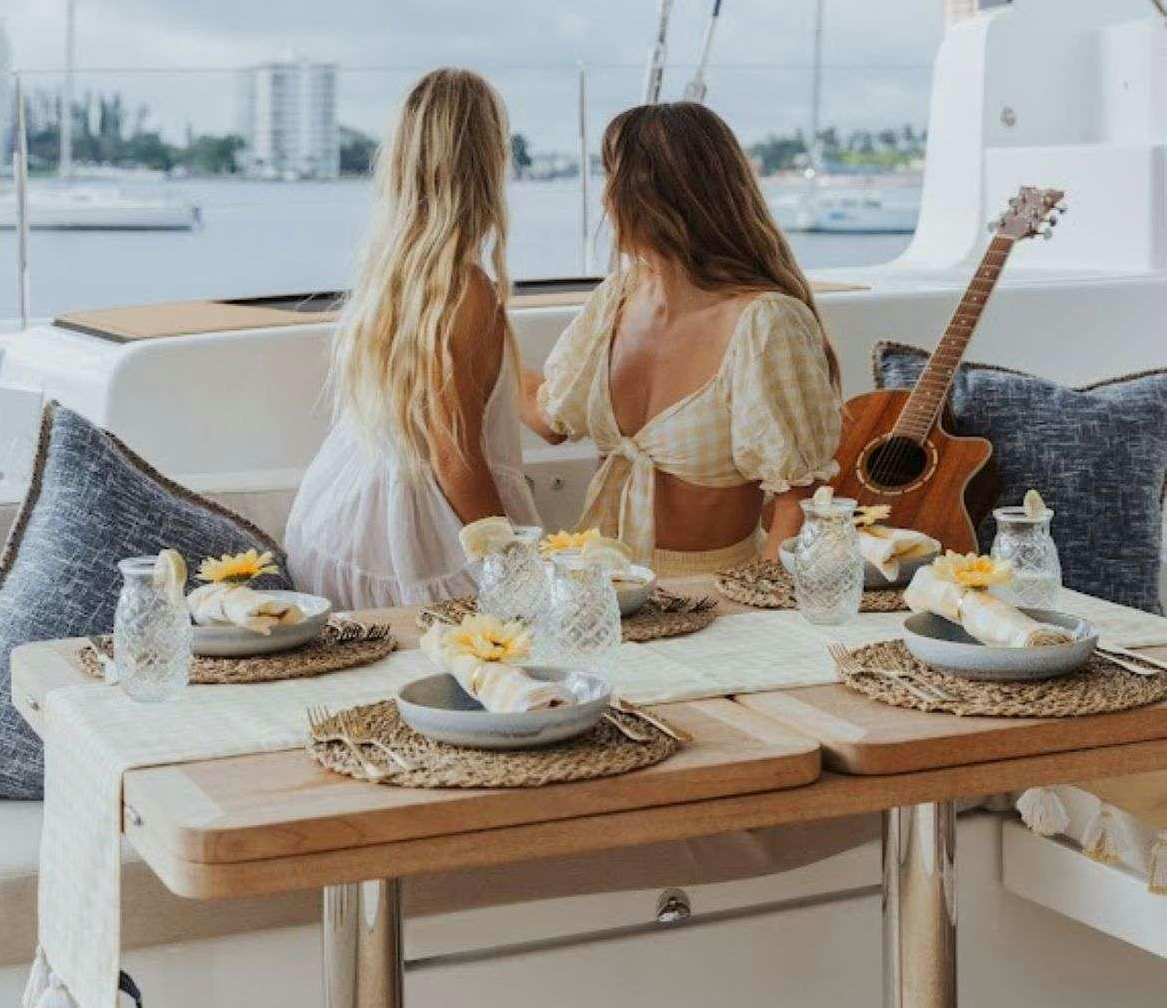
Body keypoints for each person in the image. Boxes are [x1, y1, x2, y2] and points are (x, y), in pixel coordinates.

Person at [522, 101, 842, 573]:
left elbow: (798, 505)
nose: (604, 200)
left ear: (646, 197)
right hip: (606, 585)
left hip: (716, 592)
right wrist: (482, 339)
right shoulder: (617, 297)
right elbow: (552, 419)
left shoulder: (765, 322)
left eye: (612, 178)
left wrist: (757, 608)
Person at [286, 68, 539, 608]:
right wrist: (519, 570)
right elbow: (455, 457)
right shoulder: (465, 288)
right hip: (408, 547)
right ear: (490, 161)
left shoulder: (392, 268)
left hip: (340, 524)